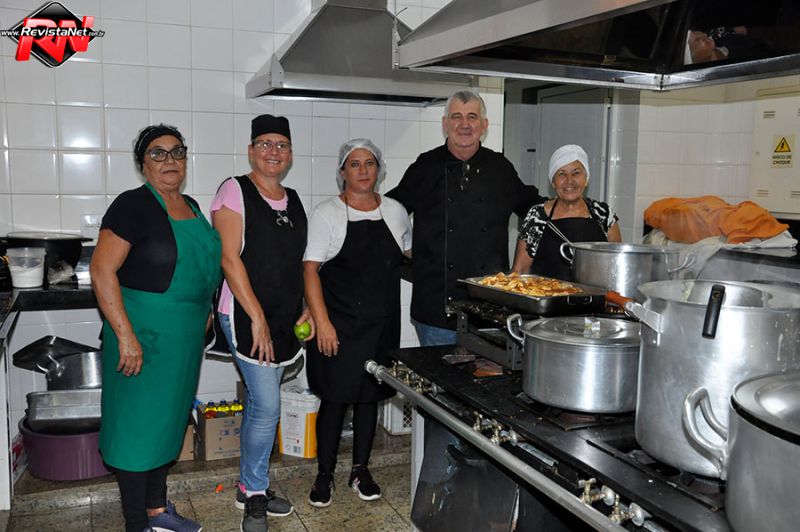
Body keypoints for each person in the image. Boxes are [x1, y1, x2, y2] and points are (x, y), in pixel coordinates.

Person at [91, 124, 221, 532]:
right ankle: (137, 523)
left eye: (177, 152)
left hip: (183, 340)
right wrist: (125, 337)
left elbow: (204, 265)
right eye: (158, 153)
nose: (170, 160)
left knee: (168, 424)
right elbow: (102, 270)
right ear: (142, 164)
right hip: (141, 336)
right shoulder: (132, 206)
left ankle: (156, 510)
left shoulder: (193, 207)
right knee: (136, 431)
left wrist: (207, 310)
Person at [208, 114, 312, 532]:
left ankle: (249, 484)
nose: (274, 152)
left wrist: (306, 306)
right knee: (268, 405)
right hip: (244, 314)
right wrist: (258, 319)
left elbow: (296, 263)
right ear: (251, 150)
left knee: (258, 402)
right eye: (265, 144)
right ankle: (254, 491)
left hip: (285, 315)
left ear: (290, 153)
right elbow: (229, 258)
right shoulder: (234, 190)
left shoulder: (294, 199)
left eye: (281, 145)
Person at [386, 89, 543, 346]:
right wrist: (407, 247)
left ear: (484, 125)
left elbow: (535, 210)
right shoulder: (425, 167)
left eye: (472, 116)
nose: (465, 124)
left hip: (489, 311)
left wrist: (574, 205)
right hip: (436, 308)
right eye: (456, 117)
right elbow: (390, 210)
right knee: (437, 373)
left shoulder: (500, 168)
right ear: (445, 124)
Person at [303, 139, 412, 507]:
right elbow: (310, 270)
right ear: (342, 172)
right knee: (334, 399)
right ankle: (324, 474)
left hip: (381, 325)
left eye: (369, 163)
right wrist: (322, 322)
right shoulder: (327, 213)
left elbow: (409, 255)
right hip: (338, 325)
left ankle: (360, 470)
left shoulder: (395, 211)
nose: (363, 170)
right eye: (354, 164)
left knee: (370, 399)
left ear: (379, 169)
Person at [512, 144, 621, 280]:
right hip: (546, 292)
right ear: (553, 182)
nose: (569, 181)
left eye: (576, 173)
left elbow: (616, 267)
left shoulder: (603, 214)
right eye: (561, 174)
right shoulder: (538, 216)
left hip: (594, 293)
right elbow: (519, 271)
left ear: (586, 179)